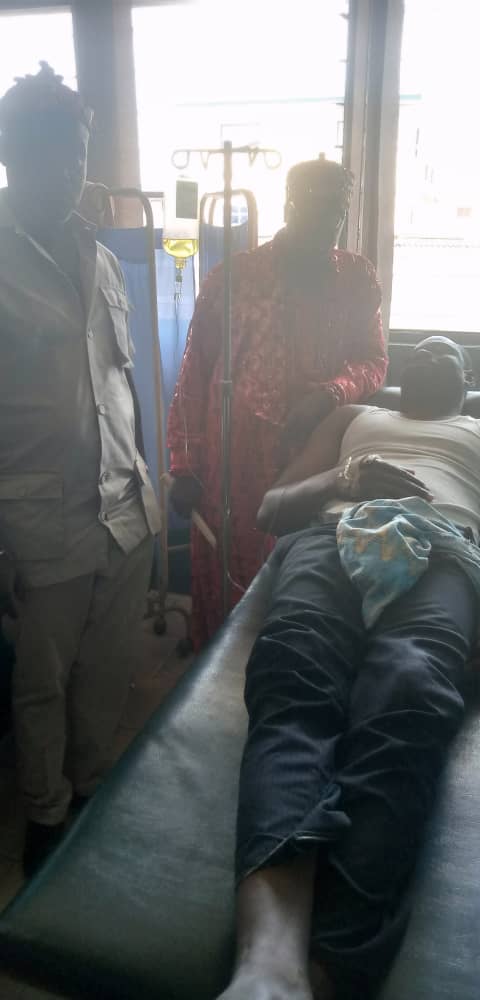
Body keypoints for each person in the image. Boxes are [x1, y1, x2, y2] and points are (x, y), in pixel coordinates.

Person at [218, 336, 480, 1000]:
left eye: (448, 351)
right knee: (294, 673)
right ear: (399, 374)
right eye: (422, 349)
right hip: (337, 533)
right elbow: (271, 509)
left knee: (411, 688)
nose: (432, 351)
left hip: (444, 550)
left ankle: (327, 971)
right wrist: (344, 480)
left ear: (466, 380)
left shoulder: (476, 434)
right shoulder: (354, 418)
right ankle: (267, 966)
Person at [0, 64, 160, 876]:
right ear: (11, 156)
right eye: (51, 155)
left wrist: (147, 474)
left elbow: (119, 383)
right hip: (38, 516)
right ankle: (46, 813)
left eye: (79, 154)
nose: (69, 172)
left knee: (108, 669)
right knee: (44, 680)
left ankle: (92, 791)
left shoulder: (100, 257)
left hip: (123, 504)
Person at [168, 156, 388, 649]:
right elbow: (193, 373)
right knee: (226, 568)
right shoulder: (234, 277)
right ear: (288, 207)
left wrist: (330, 394)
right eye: (314, 210)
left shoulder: (357, 279)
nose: (326, 224)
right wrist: (183, 464)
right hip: (233, 457)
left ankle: (284, 660)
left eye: (336, 213)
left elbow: (374, 360)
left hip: (315, 452)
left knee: (298, 575)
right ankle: (212, 666)